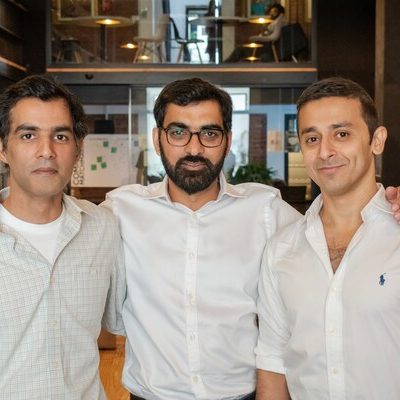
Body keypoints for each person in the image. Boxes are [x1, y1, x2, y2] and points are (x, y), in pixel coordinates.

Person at [102, 77, 301, 400]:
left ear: (227, 140)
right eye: (178, 132)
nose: (194, 149)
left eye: (209, 134)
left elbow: (332, 240)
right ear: (157, 139)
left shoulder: (265, 210)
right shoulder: (120, 210)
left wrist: (384, 209)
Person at [255, 77, 400, 399]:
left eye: (342, 134)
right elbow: (272, 363)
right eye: (312, 138)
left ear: (377, 140)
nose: (325, 152)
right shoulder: (281, 250)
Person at [0, 74, 125, 399]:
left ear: (78, 149)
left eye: (60, 136)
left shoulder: (103, 227)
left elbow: (123, 319)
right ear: (3, 148)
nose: (47, 151)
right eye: (28, 135)